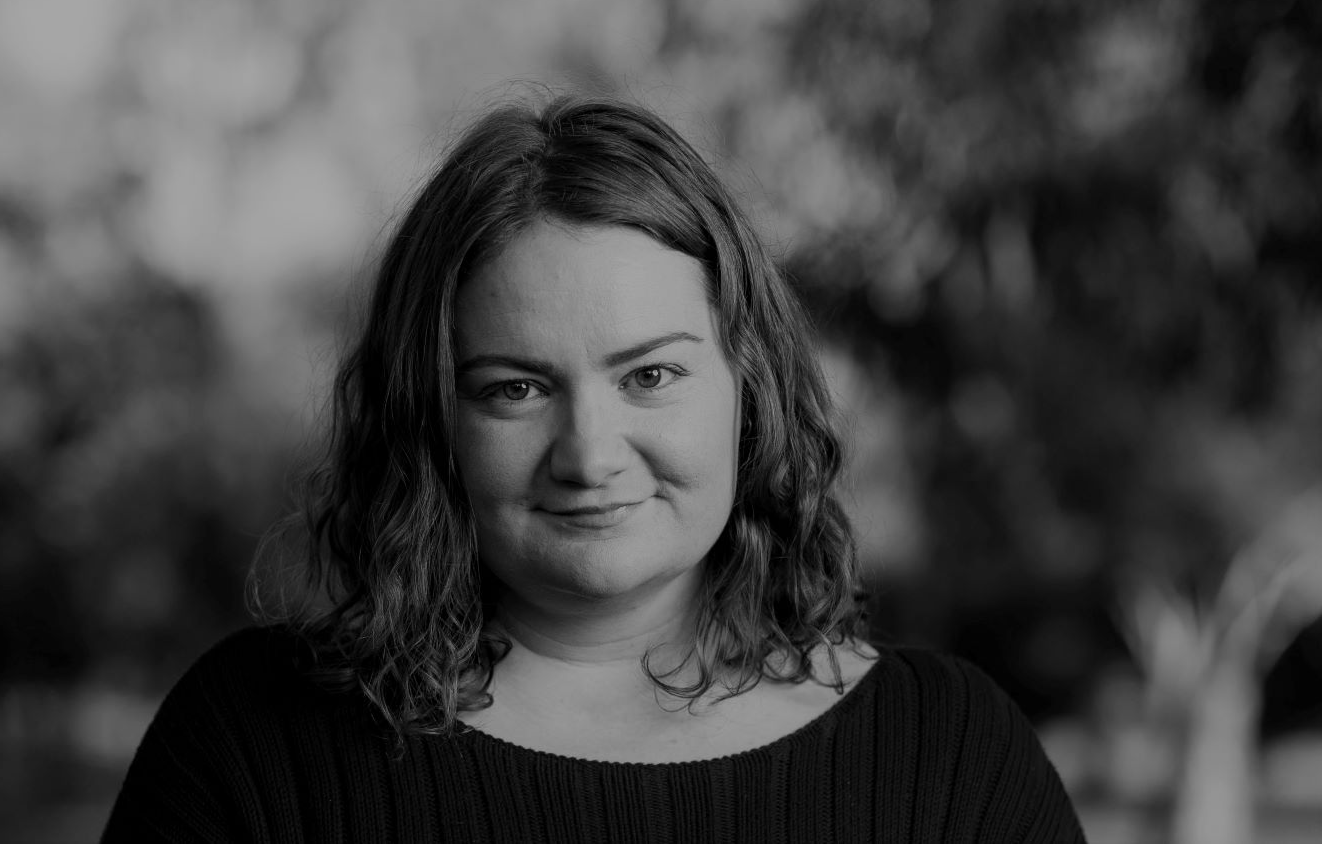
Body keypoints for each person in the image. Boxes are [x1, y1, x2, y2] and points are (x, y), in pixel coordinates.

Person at [102, 94, 1085, 842]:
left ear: (748, 386)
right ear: (432, 418)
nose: (589, 453)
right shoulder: (253, 747)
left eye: (648, 374)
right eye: (513, 389)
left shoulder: (948, 761)